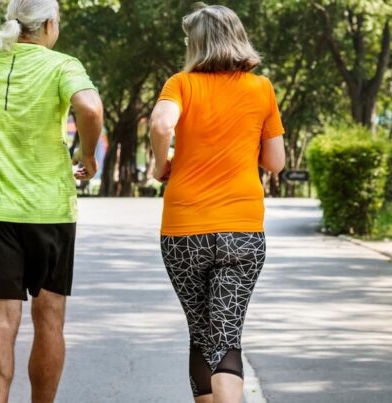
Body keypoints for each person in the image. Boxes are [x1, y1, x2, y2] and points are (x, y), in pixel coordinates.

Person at [0, 1, 104, 402]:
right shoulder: (63, 65)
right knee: (49, 319)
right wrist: (86, 156)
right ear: (49, 24)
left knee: (0, 319)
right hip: (51, 213)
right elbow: (90, 107)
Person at [149, 3, 285, 403]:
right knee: (224, 337)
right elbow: (275, 162)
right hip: (242, 232)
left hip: (184, 232)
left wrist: (162, 164)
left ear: (197, 44)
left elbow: (160, 124)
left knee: (201, 330)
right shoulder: (261, 89)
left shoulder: (181, 84)